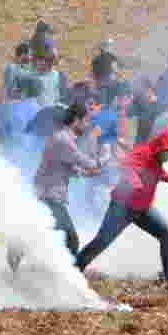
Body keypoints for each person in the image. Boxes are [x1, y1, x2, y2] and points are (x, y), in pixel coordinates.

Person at [75, 128, 168, 286]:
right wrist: (134, 181)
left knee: (166, 234)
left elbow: (158, 173)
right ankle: (74, 269)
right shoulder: (144, 152)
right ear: (161, 147)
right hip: (122, 207)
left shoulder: (157, 161)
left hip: (143, 209)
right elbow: (126, 165)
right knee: (102, 241)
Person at [33, 103, 102, 256]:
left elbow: (66, 166)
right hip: (49, 195)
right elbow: (79, 159)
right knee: (71, 240)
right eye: (86, 121)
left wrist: (85, 173)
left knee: (49, 236)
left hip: (49, 194)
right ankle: (69, 275)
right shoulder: (63, 139)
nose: (88, 125)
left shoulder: (63, 137)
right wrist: (100, 161)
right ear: (76, 120)